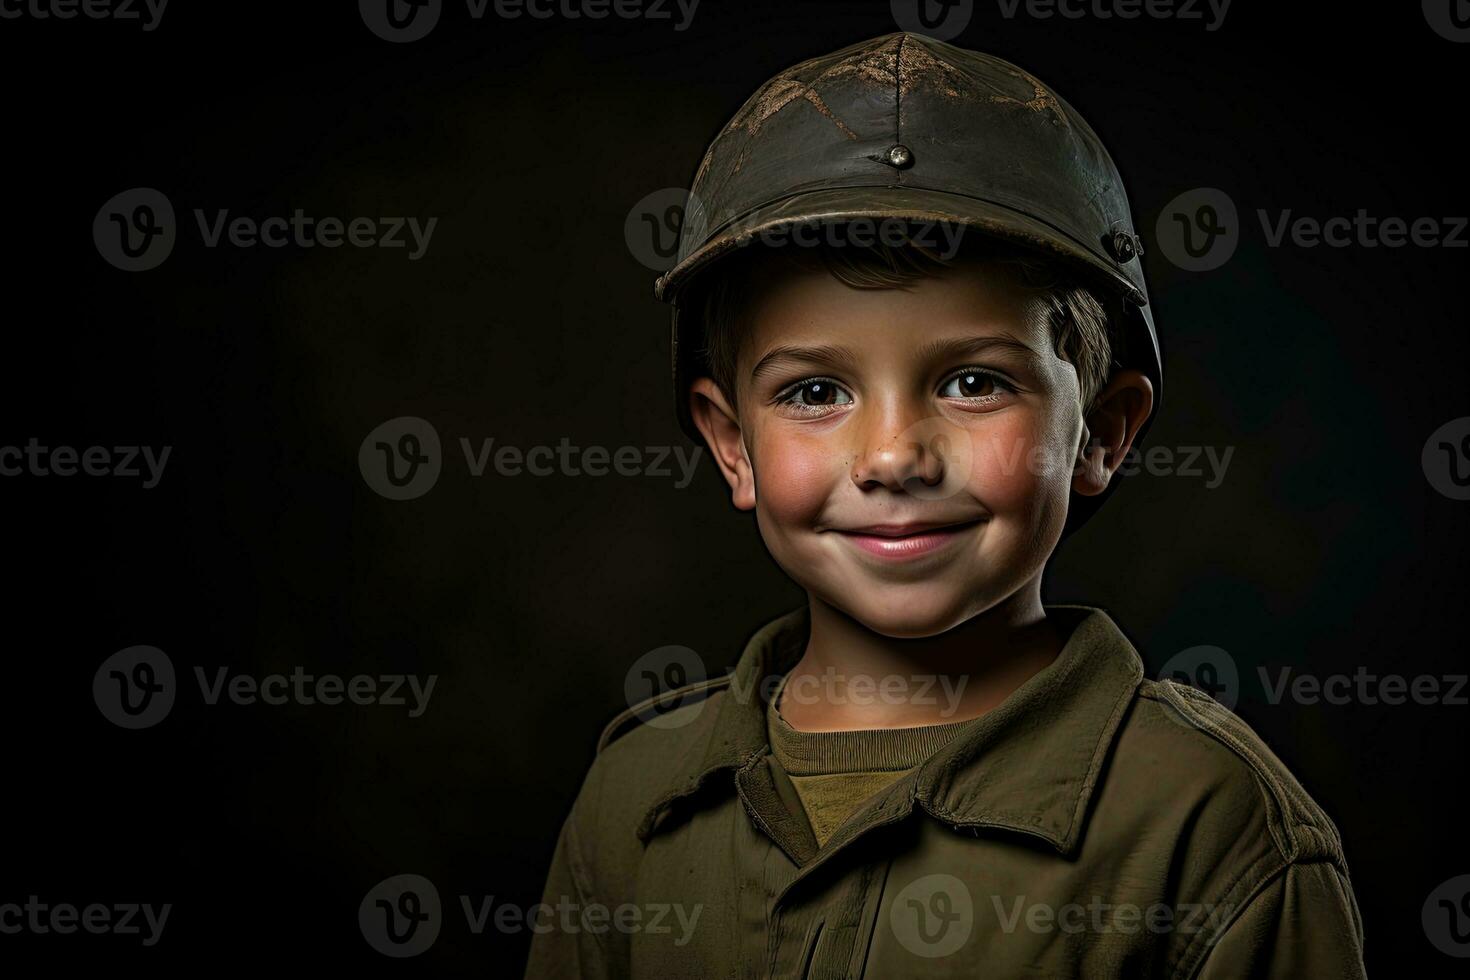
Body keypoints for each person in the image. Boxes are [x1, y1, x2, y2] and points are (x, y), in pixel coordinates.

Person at [525, 31, 1367, 978]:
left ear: (1101, 431)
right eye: (814, 393)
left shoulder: (1209, 828)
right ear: (732, 445)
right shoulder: (636, 793)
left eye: (973, 383)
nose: (893, 457)